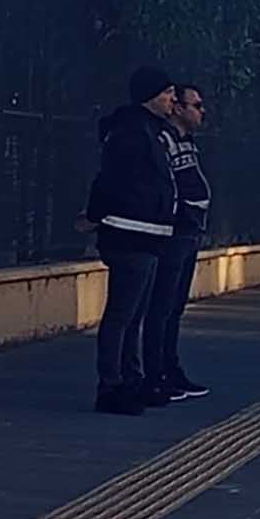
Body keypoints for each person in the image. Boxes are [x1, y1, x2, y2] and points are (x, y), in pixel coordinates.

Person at [84, 66, 179, 415]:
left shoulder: (150, 132)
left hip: (148, 236)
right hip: (130, 235)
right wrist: (95, 216)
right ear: (151, 96)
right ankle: (112, 387)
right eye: (167, 93)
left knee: (132, 315)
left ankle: (131, 382)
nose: (172, 100)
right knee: (121, 316)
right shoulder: (132, 134)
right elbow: (109, 180)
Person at [147, 82, 212, 402]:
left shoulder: (188, 142)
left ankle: (170, 368)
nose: (201, 111)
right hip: (174, 233)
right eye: (195, 105)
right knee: (161, 307)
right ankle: (156, 372)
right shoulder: (164, 140)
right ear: (178, 109)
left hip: (189, 233)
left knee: (175, 307)